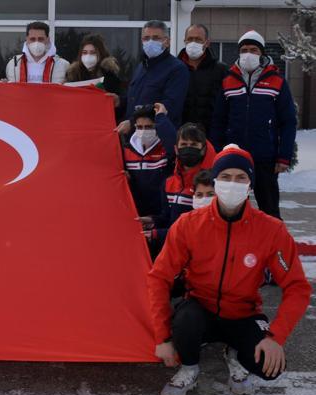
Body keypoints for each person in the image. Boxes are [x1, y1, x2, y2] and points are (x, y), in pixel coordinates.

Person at [148, 144, 311, 395]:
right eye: (225, 177)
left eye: (240, 178)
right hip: (199, 308)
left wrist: (275, 337)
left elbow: (298, 287)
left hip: (243, 314)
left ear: (250, 184)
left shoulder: (271, 230)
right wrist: (162, 336)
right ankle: (190, 366)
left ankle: (234, 353)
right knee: (185, 322)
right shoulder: (189, 225)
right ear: (215, 180)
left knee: (271, 368)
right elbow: (159, 277)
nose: (232, 184)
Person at [210, 30, 297, 220]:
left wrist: (284, 156)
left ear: (262, 53)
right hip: (234, 157)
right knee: (235, 208)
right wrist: (218, 152)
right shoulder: (228, 82)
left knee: (270, 210)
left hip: (265, 158)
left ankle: (275, 247)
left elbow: (288, 121)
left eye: (254, 49)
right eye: (244, 49)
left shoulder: (277, 82)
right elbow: (218, 120)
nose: (248, 53)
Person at [140, 123, 216, 252]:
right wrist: (153, 221)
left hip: (198, 249)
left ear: (203, 149)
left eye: (193, 145)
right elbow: (167, 218)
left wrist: (159, 234)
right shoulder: (169, 182)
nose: (188, 149)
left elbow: (200, 227)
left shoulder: (212, 184)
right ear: (176, 149)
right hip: (172, 249)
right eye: (184, 145)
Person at [115, 20, 189, 133]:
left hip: (158, 137)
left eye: (156, 38)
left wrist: (133, 121)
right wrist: (120, 101)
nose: (150, 42)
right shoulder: (141, 66)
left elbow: (169, 106)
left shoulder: (177, 69)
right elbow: (135, 98)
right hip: (135, 137)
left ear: (167, 42)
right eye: (146, 38)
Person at [123, 103, 177, 218]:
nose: (143, 131)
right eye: (139, 127)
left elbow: (176, 146)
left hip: (161, 213)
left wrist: (161, 116)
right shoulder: (127, 150)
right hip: (135, 212)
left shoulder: (166, 148)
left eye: (148, 127)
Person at [178, 24, 227, 132]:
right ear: (184, 41)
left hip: (211, 135)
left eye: (198, 39)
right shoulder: (175, 69)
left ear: (207, 43)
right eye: (190, 39)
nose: (193, 43)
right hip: (181, 137)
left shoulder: (220, 70)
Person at [65, 33, 122, 121]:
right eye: (85, 53)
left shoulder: (110, 74)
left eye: (93, 53)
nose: (88, 56)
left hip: (101, 124)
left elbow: (118, 108)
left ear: (101, 53)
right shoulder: (73, 75)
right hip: (77, 123)